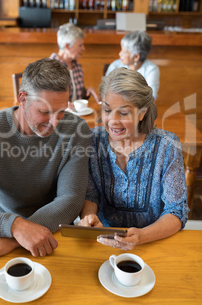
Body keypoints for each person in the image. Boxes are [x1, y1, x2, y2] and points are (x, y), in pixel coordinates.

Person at [0, 59, 91, 259]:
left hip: (46, 234)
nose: (55, 122)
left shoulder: (77, 130)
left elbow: (70, 200)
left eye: (62, 111)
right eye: (44, 112)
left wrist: (13, 240)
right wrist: (14, 226)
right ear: (22, 99)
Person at [78, 67, 189, 250]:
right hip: (103, 241)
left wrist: (142, 236)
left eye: (123, 113)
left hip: (153, 241)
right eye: (107, 109)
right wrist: (90, 218)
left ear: (142, 113)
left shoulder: (167, 145)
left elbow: (176, 211)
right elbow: (91, 195)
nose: (112, 121)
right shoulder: (92, 141)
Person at [50, 22, 99, 104]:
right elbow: (45, 100)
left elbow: (77, 97)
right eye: (80, 45)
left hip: (75, 116)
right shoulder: (49, 67)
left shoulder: (77, 66)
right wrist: (62, 106)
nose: (83, 48)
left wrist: (87, 92)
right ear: (67, 46)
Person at [106, 31, 160, 100]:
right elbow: (106, 91)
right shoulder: (115, 66)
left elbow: (151, 98)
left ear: (136, 57)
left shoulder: (151, 69)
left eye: (124, 52)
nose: (120, 54)